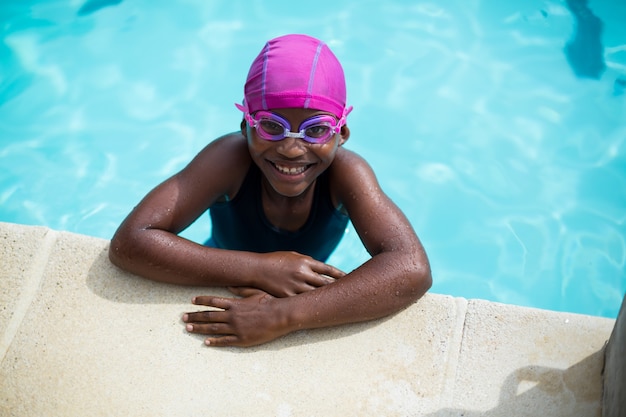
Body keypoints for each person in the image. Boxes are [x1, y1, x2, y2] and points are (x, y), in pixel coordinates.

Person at [109, 33, 432, 347]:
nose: (291, 149)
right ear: (245, 126)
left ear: (341, 133)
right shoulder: (228, 160)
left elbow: (411, 268)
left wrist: (283, 315)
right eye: (271, 126)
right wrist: (258, 269)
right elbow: (131, 242)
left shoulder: (347, 174)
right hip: (223, 262)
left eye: (316, 129)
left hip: (299, 283)